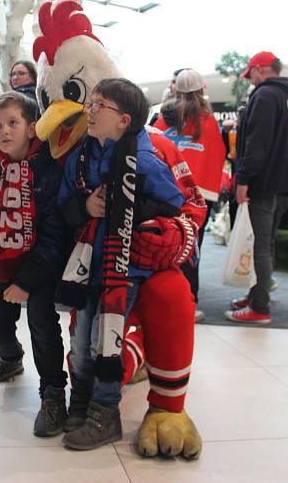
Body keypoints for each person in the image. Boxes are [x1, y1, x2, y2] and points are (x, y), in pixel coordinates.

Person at [57, 78, 183, 450]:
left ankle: (105, 411)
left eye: (100, 106)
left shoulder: (144, 161)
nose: (90, 111)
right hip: (85, 265)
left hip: (121, 267)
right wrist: (85, 207)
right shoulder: (81, 157)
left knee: (105, 339)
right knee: (80, 340)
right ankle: (79, 403)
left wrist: (125, 207)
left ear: (124, 119)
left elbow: (171, 203)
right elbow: (65, 204)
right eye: (90, 104)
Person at [0, 91, 69, 438]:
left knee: (41, 320)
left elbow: (56, 233)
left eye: (13, 123)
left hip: (42, 265)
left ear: (32, 127)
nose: (5, 132)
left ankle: (53, 394)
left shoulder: (50, 169)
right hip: (0, 264)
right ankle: (10, 358)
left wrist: (27, 280)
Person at [225, 51, 288, 325]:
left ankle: (260, 306)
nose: (251, 81)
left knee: (258, 244)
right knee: (266, 243)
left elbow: (258, 143)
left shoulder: (265, 96)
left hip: (264, 182)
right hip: (286, 182)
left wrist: (243, 179)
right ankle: (256, 293)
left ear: (259, 70)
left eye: (251, 75)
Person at [152, 68, 225, 313]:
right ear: (201, 89)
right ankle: (189, 303)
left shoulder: (163, 118)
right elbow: (217, 155)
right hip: (199, 196)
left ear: (176, 88)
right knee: (191, 248)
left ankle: (163, 301)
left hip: (167, 192)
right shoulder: (208, 120)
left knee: (164, 246)